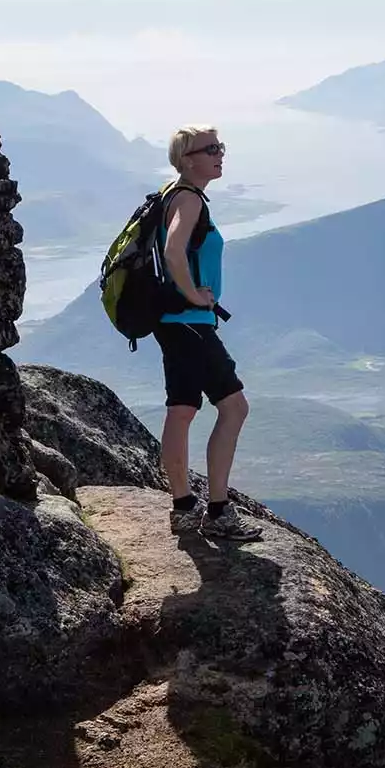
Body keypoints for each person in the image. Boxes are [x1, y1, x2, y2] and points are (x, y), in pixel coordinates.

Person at [154, 125, 260, 540]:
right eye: (209, 149)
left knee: (181, 409)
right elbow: (173, 250)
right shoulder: (189, 200)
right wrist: (195, 296)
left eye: (221, 147)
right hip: (189, 323)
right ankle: (218, 512)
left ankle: (182, 508)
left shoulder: (170, 194)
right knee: (234, 408)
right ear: (186, 159)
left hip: (171, 323)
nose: (220, 154)